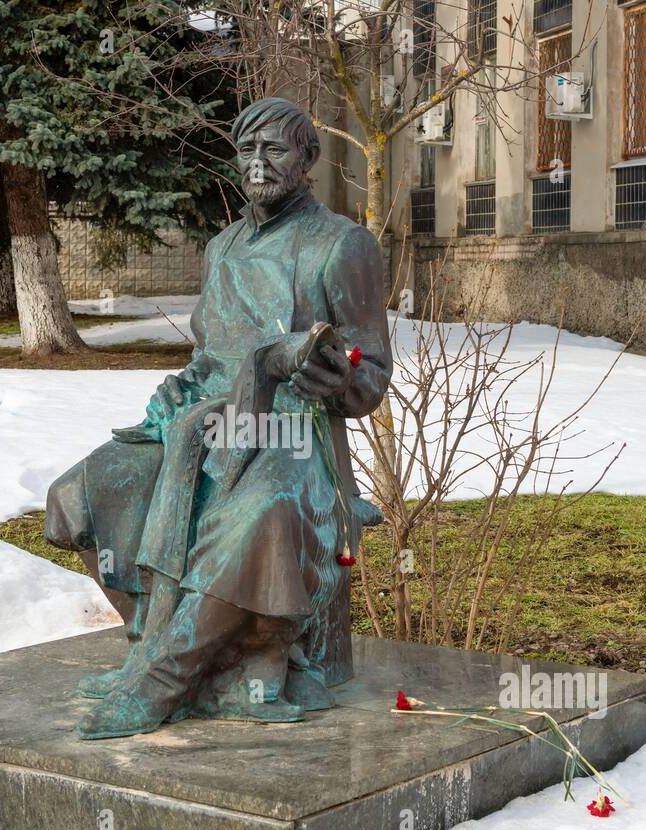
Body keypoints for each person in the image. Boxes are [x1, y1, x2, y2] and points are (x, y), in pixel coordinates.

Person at [45, 97, 392, 739]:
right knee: (80, 492)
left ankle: (164, 680)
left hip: (294, 434)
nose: (258, 164)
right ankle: (152, 643)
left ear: (308, 159)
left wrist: (337, 375)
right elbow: (209, 354)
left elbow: (370, 373)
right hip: (207, 422)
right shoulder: (223, 247)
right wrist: (178, 389)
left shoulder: (341, 246)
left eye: (276, 150)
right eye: (247, 150)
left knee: (257, 518)